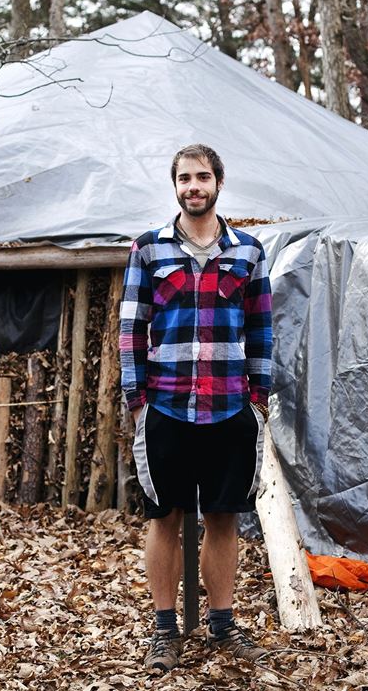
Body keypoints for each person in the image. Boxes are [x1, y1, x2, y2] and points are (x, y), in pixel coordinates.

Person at [119, 144, 273, 672]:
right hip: (166, 405)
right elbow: (130, 329)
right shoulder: (147, 250)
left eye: (202, 177)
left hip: (230, 406)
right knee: (164, 518)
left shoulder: (248, 252)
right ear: (175, 185)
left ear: (219, 182)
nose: (193, 186)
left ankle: (223, 624)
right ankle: (164, 630)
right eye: (184, 178)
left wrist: (258, 396)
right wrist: (137, 400)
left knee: (224, 518)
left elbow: (262, 329)